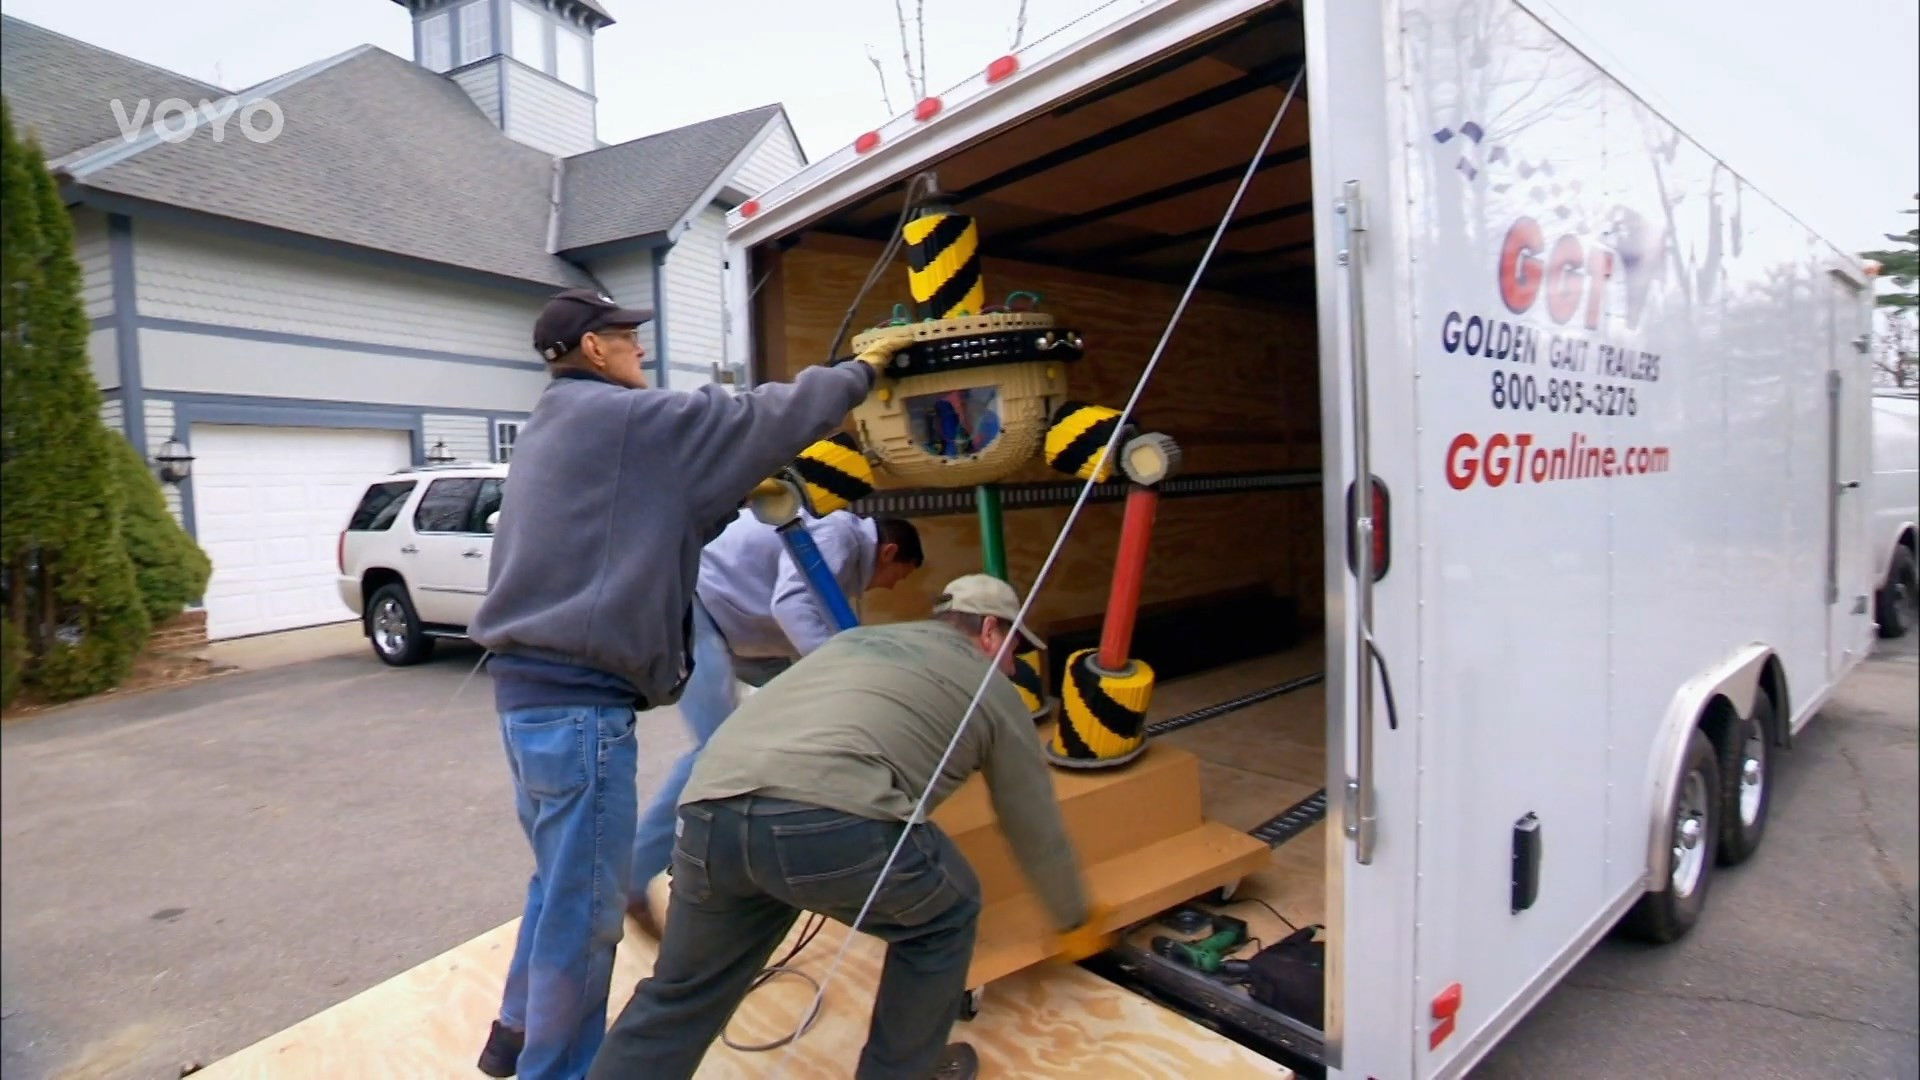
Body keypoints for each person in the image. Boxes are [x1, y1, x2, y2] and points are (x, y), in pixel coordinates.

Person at [469, 287, 911, 1080]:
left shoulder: (555, 427)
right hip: (578, 712)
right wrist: (857, 374)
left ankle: (512, 1034)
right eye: (625, 336)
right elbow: (748, 418)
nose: (639, 346)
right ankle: (558, 1071)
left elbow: (654, 516)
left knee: (556, 883)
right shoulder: (626, 419)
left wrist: (728, 494)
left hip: (526, 702)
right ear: (593, 350)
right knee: (588, 914)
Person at [588, 575, 1108, 1080]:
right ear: (991, 630)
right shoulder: (990, 687)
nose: (1014, 665)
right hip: (828, 815)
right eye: (1014, 648)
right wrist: (1073, 918)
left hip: (707, 811)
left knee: (683, 992)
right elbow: (1031, 819)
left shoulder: (856, 643)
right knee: (944, 918)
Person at [627, 510, 927, 936]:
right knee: (716, 752)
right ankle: (635, 876)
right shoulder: (839, 534)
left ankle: (779, 844)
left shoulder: (841, 556)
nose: (893, 585)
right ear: (890, 552)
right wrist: (846, 672)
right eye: (899, 575)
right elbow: (790, 605)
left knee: (802, 718)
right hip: (694, 607)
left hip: (729, 623)